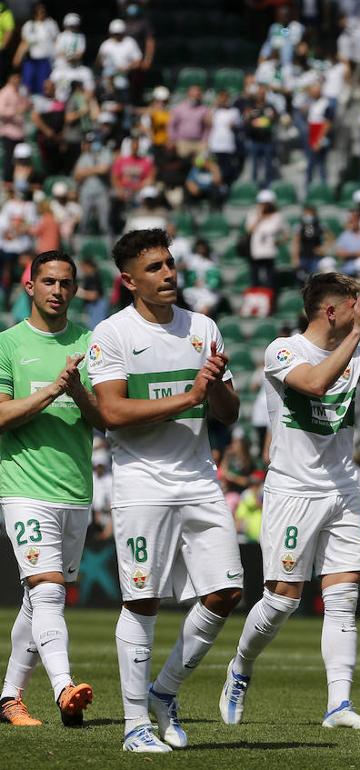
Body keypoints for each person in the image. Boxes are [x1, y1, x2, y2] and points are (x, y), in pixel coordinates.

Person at [219, 273, 360, 729]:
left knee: (343, 597)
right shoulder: (283, 350)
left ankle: (339, 705)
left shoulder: (357, 352)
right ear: (333, 310)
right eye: (356, 303)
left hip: (343, 489)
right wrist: (355, 337)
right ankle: (240, 666)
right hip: (293, 490)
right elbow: (312, 384)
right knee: (283, 600)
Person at [86, 229, 242, 754]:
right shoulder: (110, 334)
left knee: (226, 593)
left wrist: (215, 388)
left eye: (170, 264)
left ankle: (163, 691)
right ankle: (134, 727)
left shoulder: (203, 327)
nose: (169, 274)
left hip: (199, 478)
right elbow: (111, 412)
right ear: (129, 280)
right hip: (141, 482)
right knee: (143, 600)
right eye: (154, 268)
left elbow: (228, 412)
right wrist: (188, 395)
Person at [0, 251, 101, 728]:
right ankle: (64, 687)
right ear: (29, 286)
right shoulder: (8, 345)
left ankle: (8, 698)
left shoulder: (90, 342)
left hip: (75, 490)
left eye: (66, 283)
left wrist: (78, 389)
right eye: (48, 281)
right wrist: (52, 390)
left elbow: (104, 418)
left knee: (36, 599)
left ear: (74, 290)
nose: (57, 290)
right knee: (48, 591)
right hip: (23, 488)